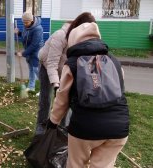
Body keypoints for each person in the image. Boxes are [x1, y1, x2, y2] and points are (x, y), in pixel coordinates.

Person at [48, 19, 129, 167]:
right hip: (119, 128)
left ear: (73, 40)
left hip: (84, 129)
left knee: (76, 164)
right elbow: (119, 91)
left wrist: (53, 121)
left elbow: (62, 97)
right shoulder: (114, 61)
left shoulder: (72, 63)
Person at [35, 22, 71, 135]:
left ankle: (62, 128)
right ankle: (41, 125)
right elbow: (52, 63)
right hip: (47, 66)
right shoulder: (60, 35)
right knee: (46, 98)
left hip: (64, 70)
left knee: (66, 100)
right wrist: (56, 84)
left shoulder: (82, 39)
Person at [15, 11, 44, 92]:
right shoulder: (26, 26)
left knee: (36, 70)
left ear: (31, 20)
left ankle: (44, 89)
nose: (25, 24)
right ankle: (31, 87)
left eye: (26, 22)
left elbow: (34, 44)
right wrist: (19, 33)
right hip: (29, 51)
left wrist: (23, 53)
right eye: (23, 22)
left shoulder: (38, 29)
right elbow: (25, 36)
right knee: (31, 69)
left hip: (36, 51)